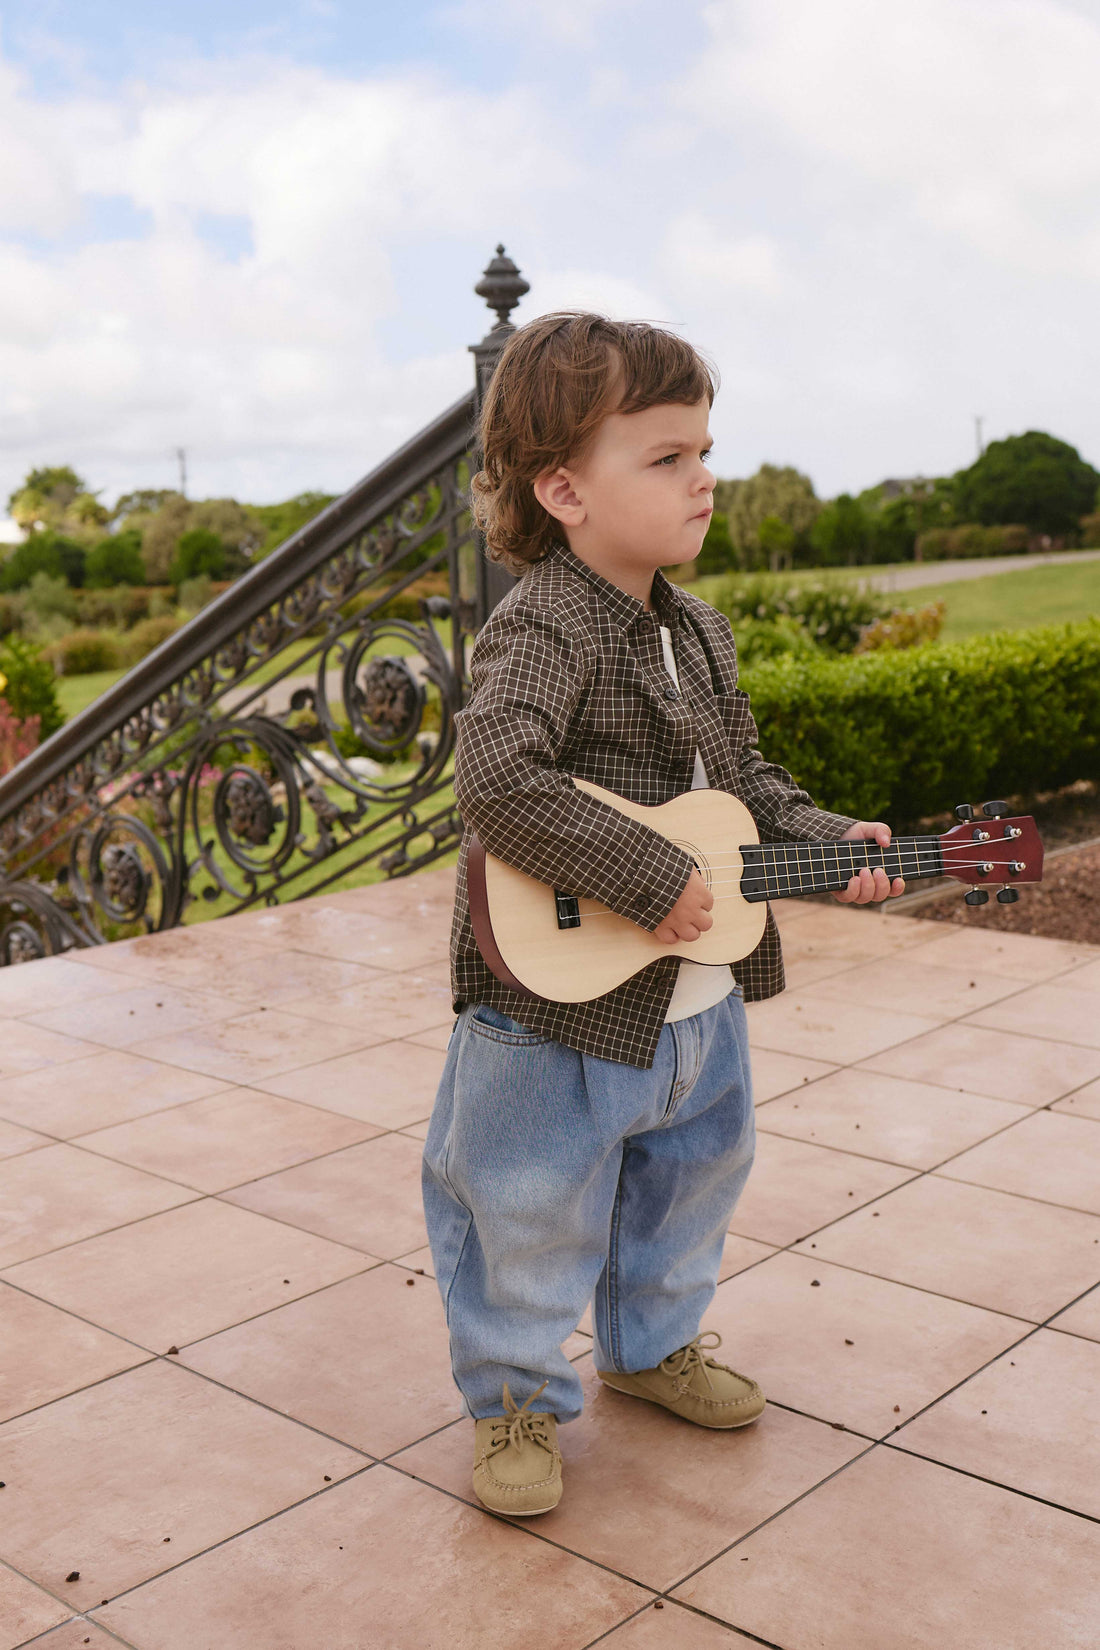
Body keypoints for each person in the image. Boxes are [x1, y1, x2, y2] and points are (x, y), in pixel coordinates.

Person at [422, 312, 904, 1517]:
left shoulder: (697, 629)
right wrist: (640, 875)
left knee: (692, 1180)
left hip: (696, 1001)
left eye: (704, 449)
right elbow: (499, 779)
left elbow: (742, 785)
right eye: (666, 456)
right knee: (528, 1207)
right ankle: (517, 1400)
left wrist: (823, 840)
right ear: (562, 490)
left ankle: (647, 1347)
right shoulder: (542, 622)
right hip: (551, 1009)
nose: (703, 478)